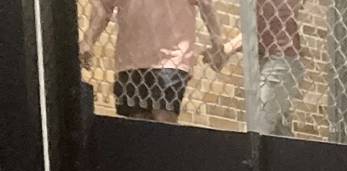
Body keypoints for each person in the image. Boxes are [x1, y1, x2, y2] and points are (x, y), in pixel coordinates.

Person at [79, 0, 235, 124]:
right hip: (131, 61)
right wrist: (88, 41)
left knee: (157, 121)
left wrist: (218, 44)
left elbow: (206, 4)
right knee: (145, 124)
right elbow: (103, 8)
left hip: (169, 60)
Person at [254, 0, 304, 135]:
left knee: (260, 124)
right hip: (272, 62)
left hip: (281, 62)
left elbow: (252, 30)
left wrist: (225, 50)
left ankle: (251, 156)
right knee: (279, 130)